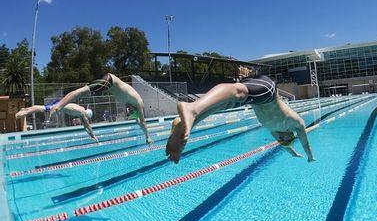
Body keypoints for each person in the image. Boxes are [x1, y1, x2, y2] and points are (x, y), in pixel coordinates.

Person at [167, 75, 314, 163]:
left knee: (223, 105)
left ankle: (185, 124)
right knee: (238, 92)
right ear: (291, 135)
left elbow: (287, 146)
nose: (283, 139)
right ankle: (192, 109)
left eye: (283, 140)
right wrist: (309, 156)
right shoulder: (294, 122)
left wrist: (294, 153)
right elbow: (305, 142)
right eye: (287, 139)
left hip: (254, 98)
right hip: (267, 91)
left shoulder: (274, 131)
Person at [49, 73, 153, 144]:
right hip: (109, 81)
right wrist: (147, 136)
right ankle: (58, 106)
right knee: (81, 92)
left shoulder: (133, 100)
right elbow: (142, 121)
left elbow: (138, 121)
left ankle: (59, 105)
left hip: (108, 81)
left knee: (82, 93)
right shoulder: (139, 102)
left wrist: (143, 130)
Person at [16, 101, 97, 141]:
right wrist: (93, 135)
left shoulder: (81, 111)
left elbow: (85, 125)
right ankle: (25, 110)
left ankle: (26, 110)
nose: (86, 119)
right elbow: (87, 125)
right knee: (41, 108)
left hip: (60, 104)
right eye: (88, 118)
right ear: (87, 115)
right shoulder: (83, 113)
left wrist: (91, 135)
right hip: (59, 105)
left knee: (43, 108)